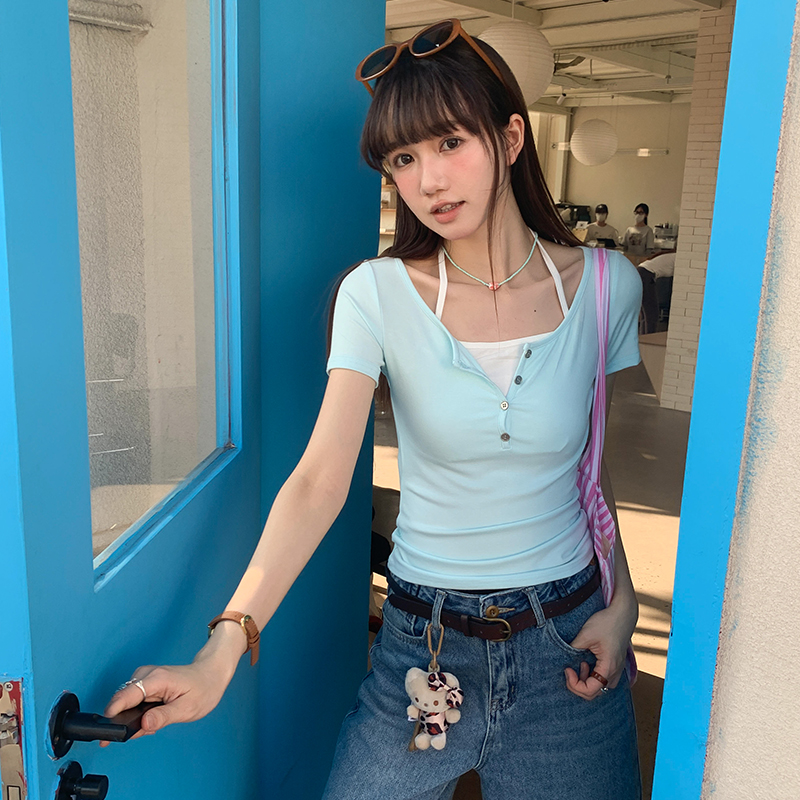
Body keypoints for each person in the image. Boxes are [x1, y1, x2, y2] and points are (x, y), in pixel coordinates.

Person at [103, 20, 643, 800]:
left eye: (450, 142)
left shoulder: (607, 287)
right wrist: (224, 647)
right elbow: (320, 481)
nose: (429, 180)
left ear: (511, 138)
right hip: (423, 649)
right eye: (404, 158)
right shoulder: (377, 293)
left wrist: (623, 603)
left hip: (568, 642)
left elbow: (592, 471)